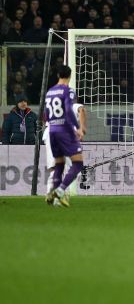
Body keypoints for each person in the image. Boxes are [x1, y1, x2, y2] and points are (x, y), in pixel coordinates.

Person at [44, 65, 86, 208]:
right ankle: (61, 191)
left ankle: (56, 200)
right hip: (64, 130)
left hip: (52, 130)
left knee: (59, 165)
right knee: (78, 163)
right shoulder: (68, 90)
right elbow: (68, 110)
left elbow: (46, 115)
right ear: (70, 76)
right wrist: (78, 128)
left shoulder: (50, 92)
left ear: (58, 75)